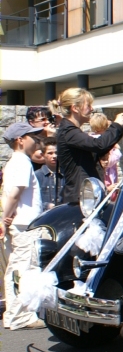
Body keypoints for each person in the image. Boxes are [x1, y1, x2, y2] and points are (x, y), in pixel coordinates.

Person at [1, 122, 47, 329]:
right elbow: (15, 193)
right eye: (32, 137)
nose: (36, 141)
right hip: (25, 224)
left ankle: (13, 314)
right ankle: (20, 316)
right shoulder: (22, 162)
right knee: (23, 268)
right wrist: (4, 217)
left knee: (15, 268)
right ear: (20, 140)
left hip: (19, 223)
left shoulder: (14, 162)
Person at [49, 88, 123, 205]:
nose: (92, 108)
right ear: (75, 108)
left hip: (86, 195)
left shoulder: (71, 131)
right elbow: (98, 145)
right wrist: (116, 125)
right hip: (80, 199)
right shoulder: (68, 132)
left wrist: (118, 130)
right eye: (88, 105)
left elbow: (99, 148)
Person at [90, 113, 123, 194]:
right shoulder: (105, 142)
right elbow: (113, 158)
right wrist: (117, 149)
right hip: (107, 177)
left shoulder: (90, 139)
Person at [34, 137, 64, 210]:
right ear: (43, 154)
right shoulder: (36, 176)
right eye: (50, 153)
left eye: (57, 153)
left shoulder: (66, 175)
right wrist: (47, 206)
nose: (54, 156)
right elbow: (31, 200)